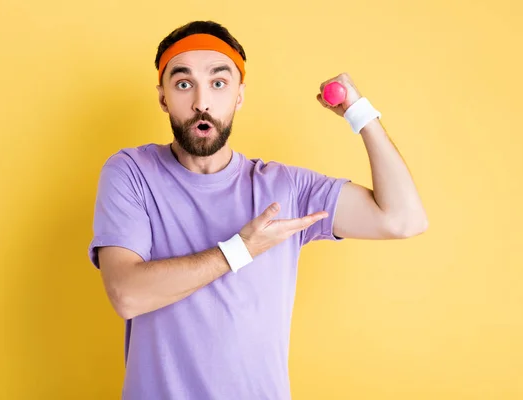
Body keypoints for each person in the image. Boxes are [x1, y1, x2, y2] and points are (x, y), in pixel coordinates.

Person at [88, 20, 428, 400]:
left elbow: (404, 218)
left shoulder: (286, 187)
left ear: (239, 96)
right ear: (164, 97)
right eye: (184, 83)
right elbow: (127, 295)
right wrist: (239, 250)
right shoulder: (131, 173)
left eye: (219, 83)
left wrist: (360, 113)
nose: (202, 101)